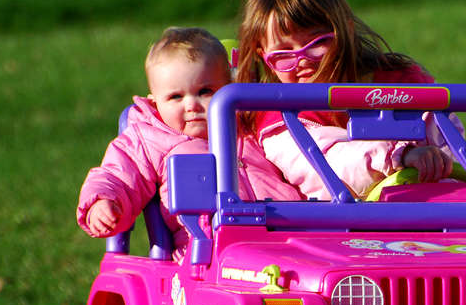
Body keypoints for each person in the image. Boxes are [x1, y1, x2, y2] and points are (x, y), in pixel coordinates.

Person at [236, 0, 460, 200]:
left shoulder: (399, 83)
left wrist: (434, 161)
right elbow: (327, 167)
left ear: (346, 31)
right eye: (283, 54)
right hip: (340, 229)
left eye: (317, 42)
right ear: (263, 56)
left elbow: (450, 147)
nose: (302, 60)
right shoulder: (277, 117)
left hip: (430, 209)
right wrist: (398, 157)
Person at [77, 27, 302, 258]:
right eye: (176, 96)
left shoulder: (249, 125)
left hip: (288, 237)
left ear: (228, 88)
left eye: (205, 91)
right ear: (155, 102)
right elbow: (118, 175)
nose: (191, 105)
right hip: (208, 254)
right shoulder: (151, 138)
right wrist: (103, 202)